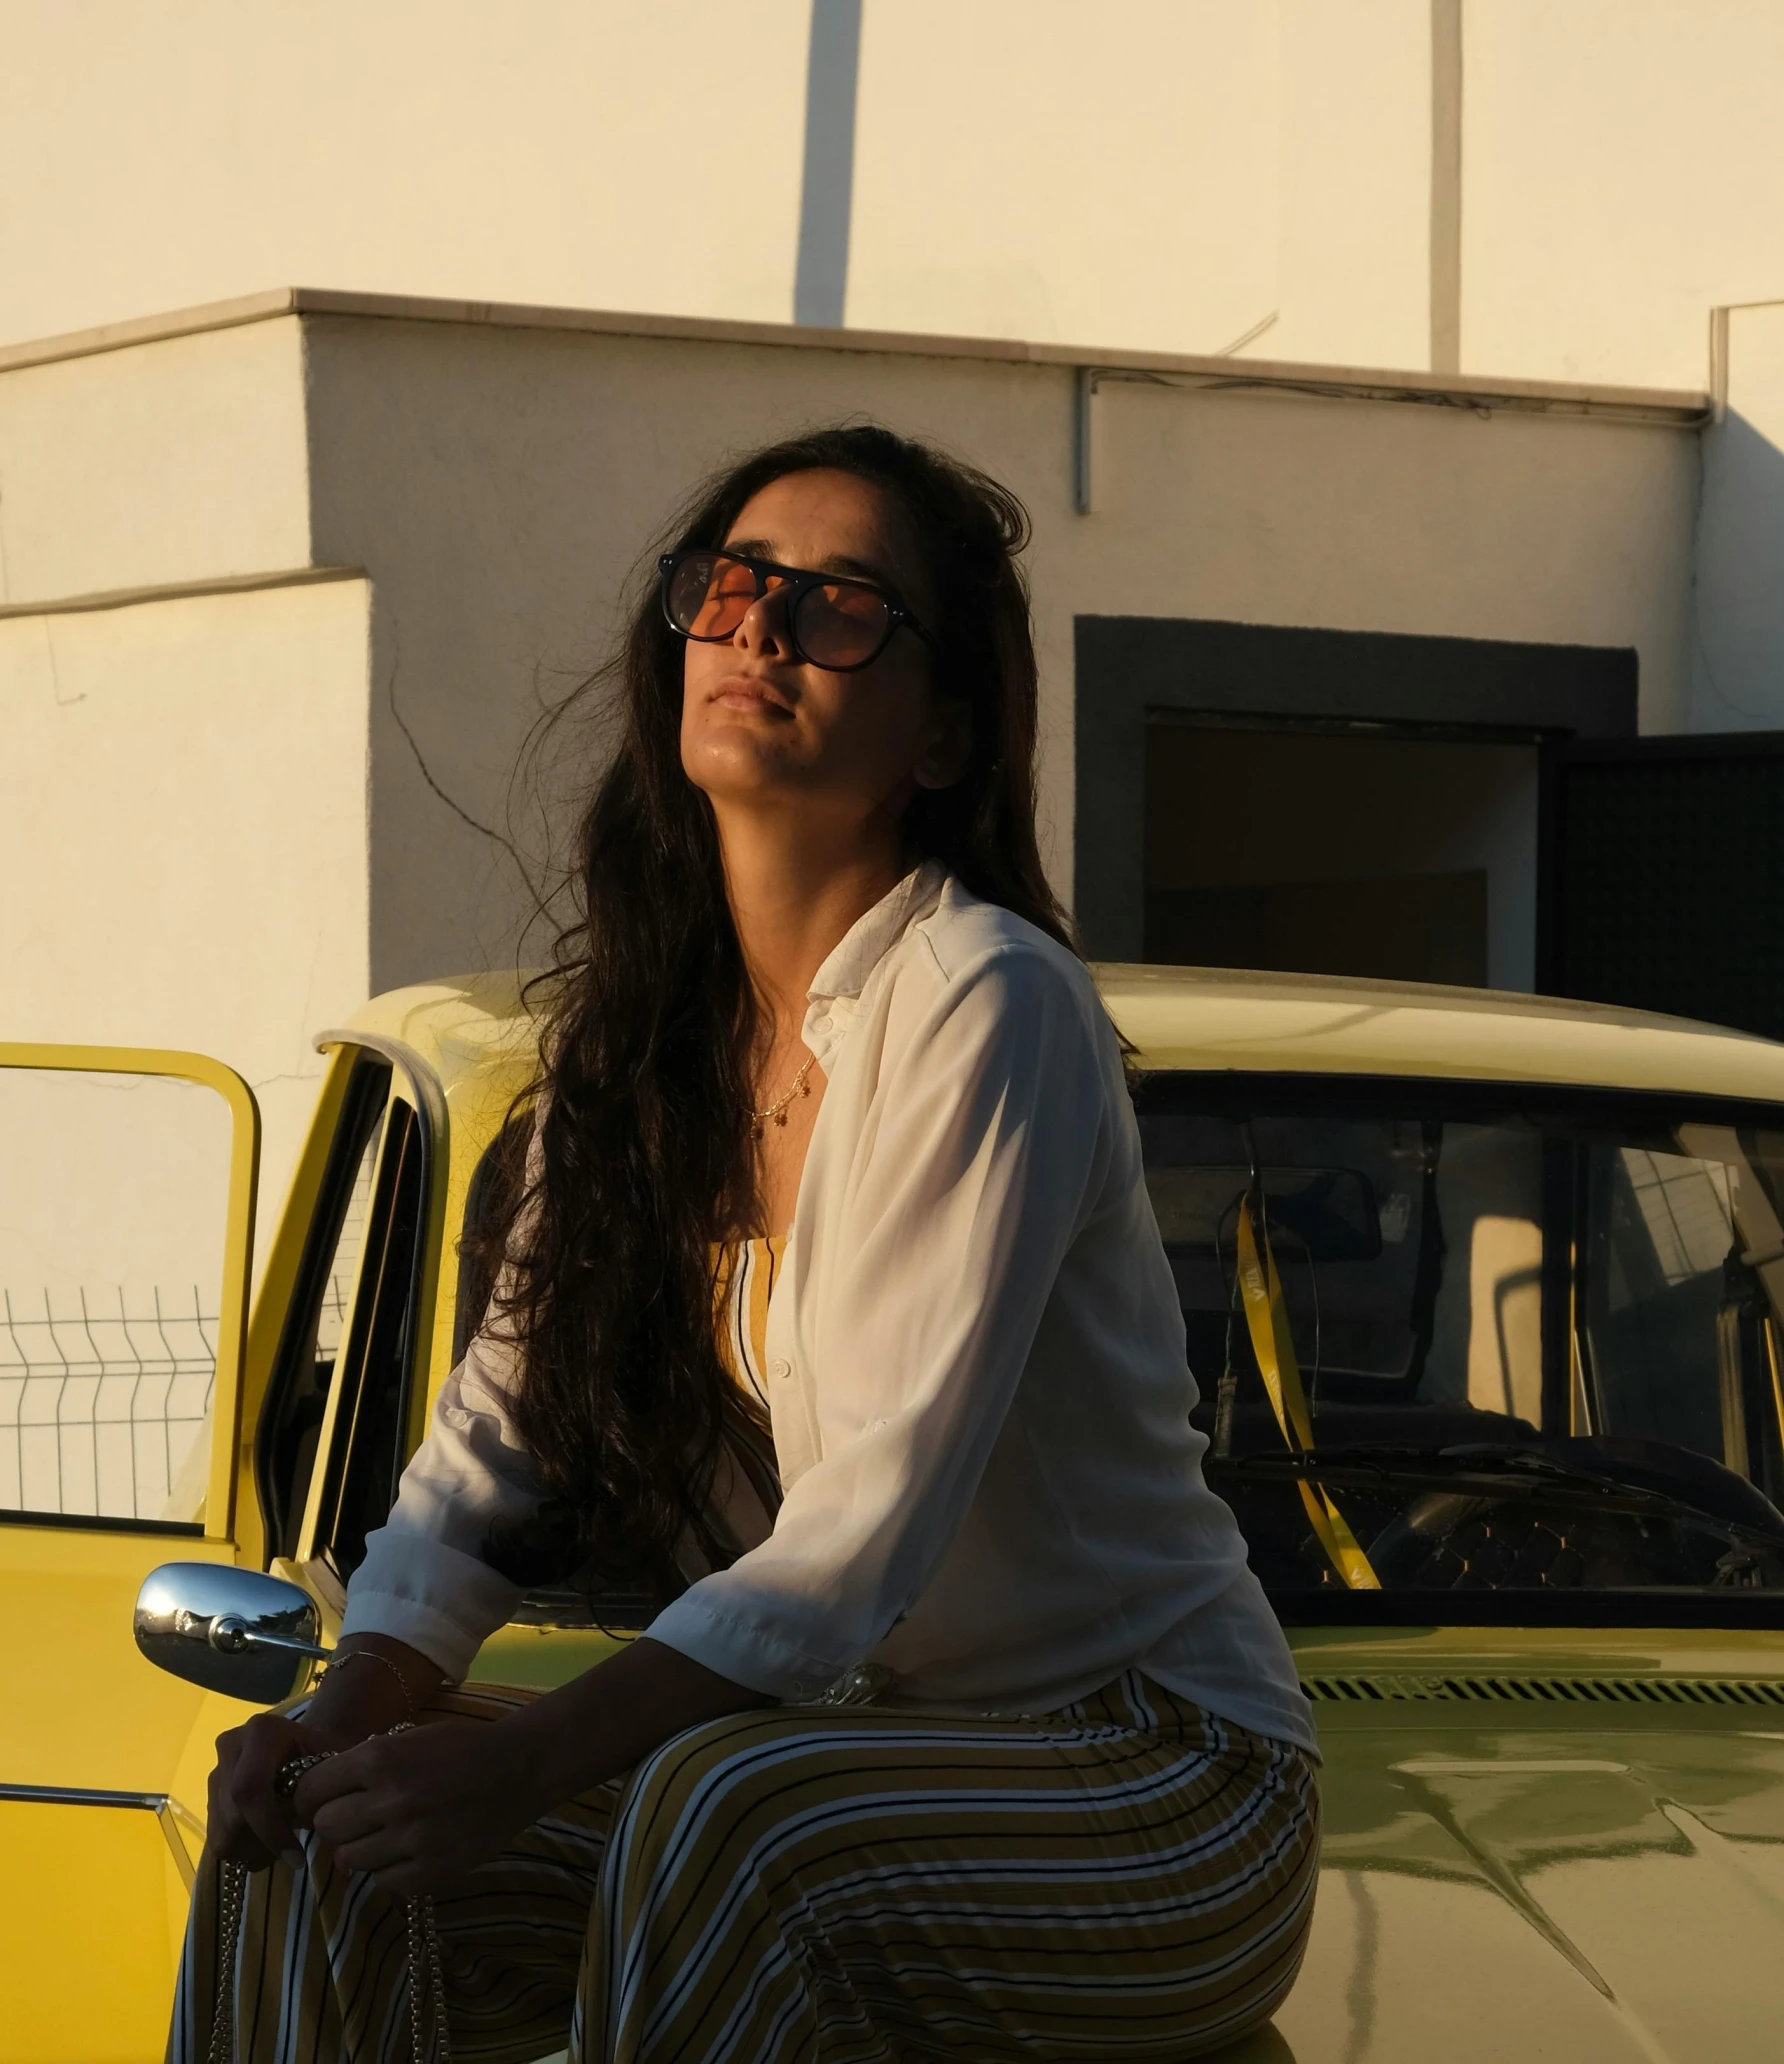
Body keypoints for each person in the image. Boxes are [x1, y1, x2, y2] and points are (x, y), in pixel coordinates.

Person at [173, 426, 1319, 2064]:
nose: (766, 627)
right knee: (321, 1835)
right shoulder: (638, 1046)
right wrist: (344, 1710)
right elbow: (481, 1464)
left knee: (722, 1812)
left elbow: (857, 1535)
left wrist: (521, 1759)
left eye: (846, 603)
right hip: (865, 1769)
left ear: (943, 735)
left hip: (1161, 1782)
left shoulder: (986, 1003)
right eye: (733, 585)